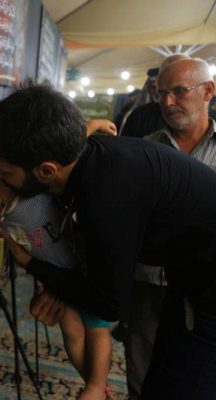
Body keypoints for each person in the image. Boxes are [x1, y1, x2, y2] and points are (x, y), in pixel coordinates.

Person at [0, 81, 216, 399]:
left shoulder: (105, 196)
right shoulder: (90, 157)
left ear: (46, 171)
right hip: (188, 277)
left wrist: (30, 263)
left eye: (4, 173)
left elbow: (108, 303)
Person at [0, 118, 116, 400]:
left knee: (96, 328)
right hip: (58, 281)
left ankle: (96, 385)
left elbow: (61, 153)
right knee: (71, 329)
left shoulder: (36, 191)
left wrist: (92, 125)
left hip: (87, 272)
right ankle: (95, 385)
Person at [122, 57, 216, 399]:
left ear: (208, 91)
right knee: (142, 372)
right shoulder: (142, 152)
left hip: (208, 292)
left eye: (179, 91)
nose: (167, 101)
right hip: (148, 284)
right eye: (160, 93)